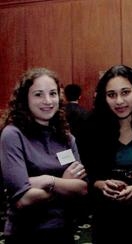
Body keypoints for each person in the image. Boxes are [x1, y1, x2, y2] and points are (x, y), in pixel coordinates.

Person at [78, 64, 132, 244]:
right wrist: (102, 184)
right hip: (107, 218)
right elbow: (85, 174)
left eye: (125, 92)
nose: (119, 101)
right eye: (112, 95)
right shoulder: (91, 128)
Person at [0, 67, 88, 244]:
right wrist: (64, 183)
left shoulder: (67, 138)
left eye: (53, 93)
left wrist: (49, 181)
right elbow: (23, 199)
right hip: (25, 235)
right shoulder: (13, 135)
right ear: (25, 98)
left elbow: (82, 189)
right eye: (38, 94)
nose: (47, 101)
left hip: (63, 231)